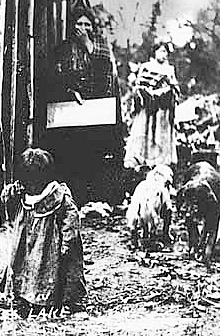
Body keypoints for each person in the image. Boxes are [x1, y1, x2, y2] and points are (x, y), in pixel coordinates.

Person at [44, 3, 124, 206]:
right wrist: (70, 92)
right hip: (71, 113)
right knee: (72, 156)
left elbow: (104, 72)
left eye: (87, 24)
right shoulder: (64, 49)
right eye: (79, 23)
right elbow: (54, 77)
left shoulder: (100, 46)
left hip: (96, 111)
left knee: (95, 155)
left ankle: (95, 197)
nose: (83, 28)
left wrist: (88, 43)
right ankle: (75, 197)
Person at [0, 148, 86, 315]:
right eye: (27, 183)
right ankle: (24, 296)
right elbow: (6, 201)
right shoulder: (23, 191)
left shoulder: (59, 196)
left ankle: (56, 300)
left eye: (34, 184)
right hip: (26, 245)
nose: (30, 188)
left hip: (49, 247)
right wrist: (11, 193)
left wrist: (67, 241)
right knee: (24, 267)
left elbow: (72, 217)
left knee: (52, 271)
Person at [124, 41, 180, 168]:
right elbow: (138, 86)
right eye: (160, 51)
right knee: (145, 131)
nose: (163, 54)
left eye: (165, 51)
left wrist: (166, 92)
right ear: (154, 52)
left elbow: (175, 88)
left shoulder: (169, 69)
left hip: (163, 109)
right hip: (148, 106)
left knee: (160, 133)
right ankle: (142, 160)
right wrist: (147, 93)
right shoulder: (146, 67)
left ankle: (160, 162)